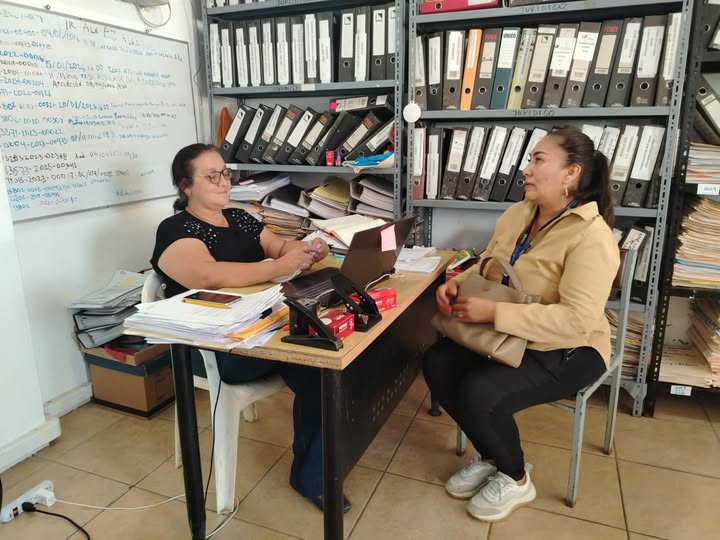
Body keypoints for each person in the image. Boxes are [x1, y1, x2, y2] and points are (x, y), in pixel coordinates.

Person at [423, 127, 620, 522]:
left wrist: (494, 314)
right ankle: (493, 457)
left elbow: (577, 320)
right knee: (437, 363)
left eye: (538, 160)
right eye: (529, 159)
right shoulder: (519, 213)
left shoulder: (592, 237)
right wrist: (458, 284)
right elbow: (489, 266)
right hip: (511, 335)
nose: (525, 169)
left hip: (570, 348)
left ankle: (515, 477)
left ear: (571, 173)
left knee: (480, 391)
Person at [150, 143, 352, 513]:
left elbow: (279, 247)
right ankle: (315, 474)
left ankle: (312, 476)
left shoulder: (240, 217)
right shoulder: (175, 229)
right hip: (216, 347)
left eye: (225, 173)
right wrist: (278, 267)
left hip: (263, 327)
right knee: (315, 358)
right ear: (185, 186)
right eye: (212, 176)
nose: (224, 182)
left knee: (325, 368)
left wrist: (307, 250)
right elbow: (207, 275)